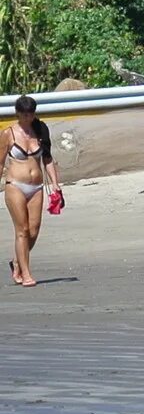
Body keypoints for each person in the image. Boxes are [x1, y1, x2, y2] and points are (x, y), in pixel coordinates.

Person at [6, 95, 61, 288]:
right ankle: (26, 273)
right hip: (15, 185)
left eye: (31, 114)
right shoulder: (9, 134)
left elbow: (47, 158)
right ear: (18, 113)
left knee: (34, 229)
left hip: (37, 186)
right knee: (22, 230)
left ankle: (16, 262)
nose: (28, 118)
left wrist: (55, 185)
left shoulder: (40, 130)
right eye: (24, 115)